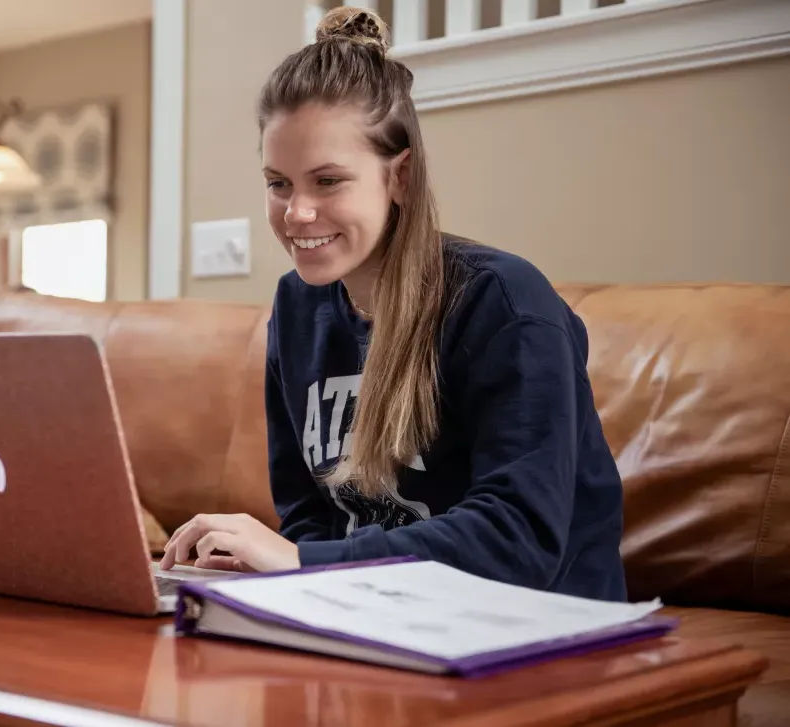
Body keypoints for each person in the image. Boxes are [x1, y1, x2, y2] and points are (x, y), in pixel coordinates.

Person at [159, 6, 627, 601]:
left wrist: (304, 564)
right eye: (278, 183)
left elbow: (520, 540)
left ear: (399, 177)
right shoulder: (297, 306)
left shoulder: (503, 303)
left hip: (537, 625)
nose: (296, 213)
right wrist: (274, 579)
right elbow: (309, 511)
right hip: (373, 613)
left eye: (328, 181)